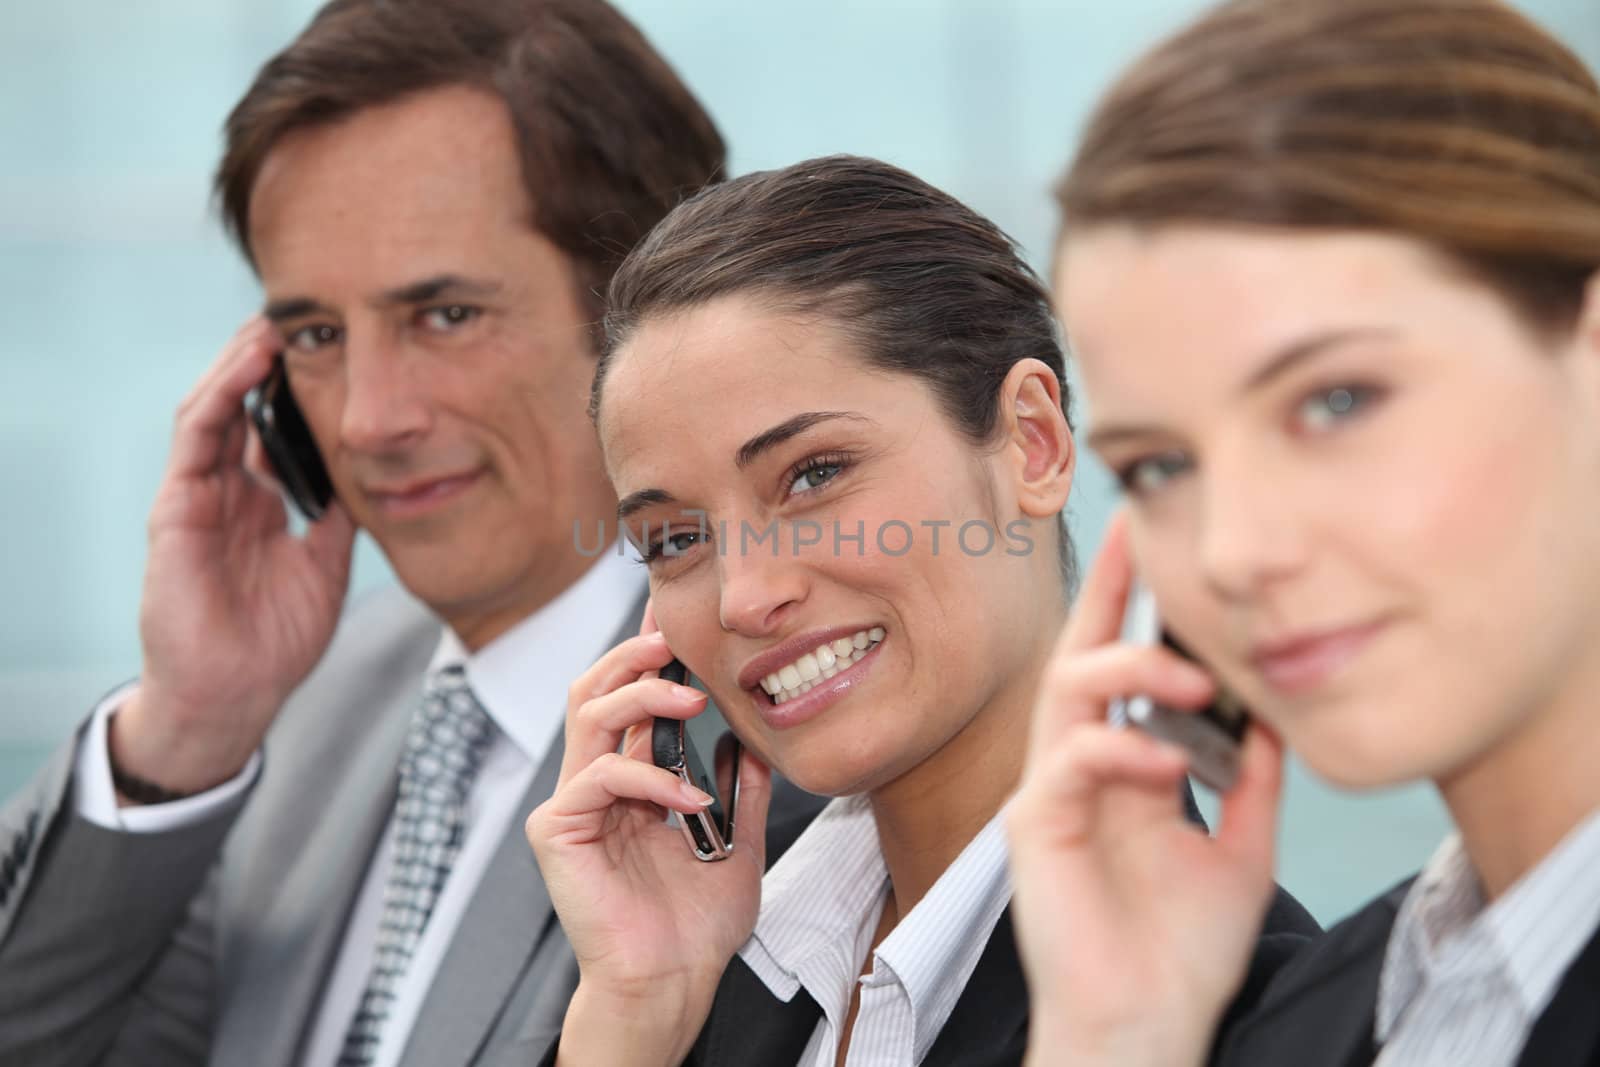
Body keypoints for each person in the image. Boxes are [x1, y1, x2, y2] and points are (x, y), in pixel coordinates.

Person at [0, 1, 782, 1064]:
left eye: (445, 315)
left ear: (645, 308)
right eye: (316, 335)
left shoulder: (769, 741)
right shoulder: (308, 703)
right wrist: (180, 736)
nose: (369, 418)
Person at [521, 153, 1319, 1067]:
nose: (745, 596)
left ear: (1033, 441)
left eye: (814, 475)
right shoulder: (694, 974)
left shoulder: (1246, 1022)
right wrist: (632, 1017)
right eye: (674, 540)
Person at [1007, 0, 1600, 1064]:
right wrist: (1116, 1028)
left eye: (1333, 402)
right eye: (1160, 466)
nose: (1233, 550)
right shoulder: (1307, 1009)